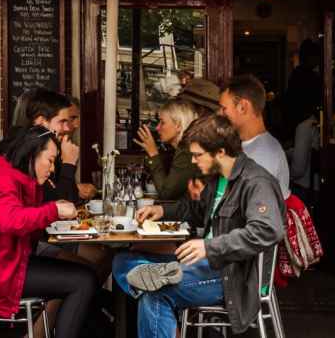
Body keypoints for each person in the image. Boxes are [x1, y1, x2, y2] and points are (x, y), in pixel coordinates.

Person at [113, 115, 285, 338]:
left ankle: (161, 279)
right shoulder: (218, 178)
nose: (193, 161)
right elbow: (195, 211)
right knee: (121, 260)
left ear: (220, 152)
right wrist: (162, 211)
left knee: (154, 295)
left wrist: (209, 247)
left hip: (233, 275)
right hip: (205, 264)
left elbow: (268, 230)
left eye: (197, 155)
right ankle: (163, 277)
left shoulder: (256, 182)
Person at [0, 127, 97, 338]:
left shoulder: (13, 176)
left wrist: (52, 212)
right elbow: (10, 221)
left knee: (82, 274)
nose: (52, 168)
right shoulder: (1, 180)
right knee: (83, 280)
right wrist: (53, 210)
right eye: (50, 160)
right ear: (32, 155)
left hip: (2, 262)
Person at [219, 75, 291, 198]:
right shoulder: (251, 145)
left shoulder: (262, 156)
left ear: (243, 107)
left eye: (224, 108)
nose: (219, 113)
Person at [138, 99, 203, 202]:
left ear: (178, 125)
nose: (158, 128)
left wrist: (153, 153)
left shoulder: (186, 151)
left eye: (162, 122)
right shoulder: (176, 150)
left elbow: (166, 194)